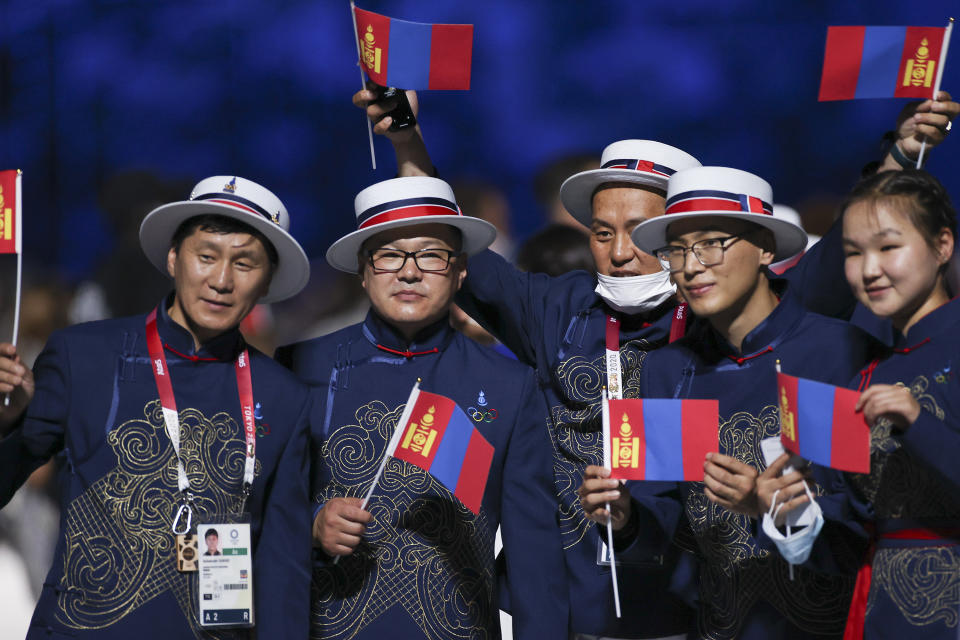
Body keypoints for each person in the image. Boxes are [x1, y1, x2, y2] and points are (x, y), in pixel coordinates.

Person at [353, 85, 958, 639]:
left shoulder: (768, 329)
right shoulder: (586, 322)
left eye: (649, 235)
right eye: (601, 232)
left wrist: (901, 158)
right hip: (579, 606)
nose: (621, 255)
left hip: (764, 609)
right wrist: (409, 146)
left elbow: (838, 268)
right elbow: (454, 253)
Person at [0, 176, 314, 639]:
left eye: (244, 263)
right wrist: (6, 421)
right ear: (173, 258)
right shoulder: (82, 355)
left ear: (266, 279)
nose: (221, 280)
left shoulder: (285, 395)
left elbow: (283, 564)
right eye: (206, 256)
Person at [579, 166, 877, 639]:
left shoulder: (833, 351)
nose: (691, 265)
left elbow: (861, 520)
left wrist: (770, 505)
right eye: (677, 249)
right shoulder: (667, 369)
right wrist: (626, 516)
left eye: (712, 243)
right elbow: (666, 521)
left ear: (765, 248)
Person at [275, 176, 568, 639]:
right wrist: (312, 524)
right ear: (363, 269)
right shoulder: (298, 364)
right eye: (389, 254)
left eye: (430, 255)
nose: (409, 272)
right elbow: (254, 509)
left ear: (461, 270)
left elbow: (535, 554)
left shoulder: (510, 385)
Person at [783, 170, 960, 639]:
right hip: (881, 610)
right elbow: (848, 535)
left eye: (887, 247)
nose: (869, 270)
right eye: (852, 252)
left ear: (943, 245)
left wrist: (917, 420)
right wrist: (788, 505)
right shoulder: (865, 372)